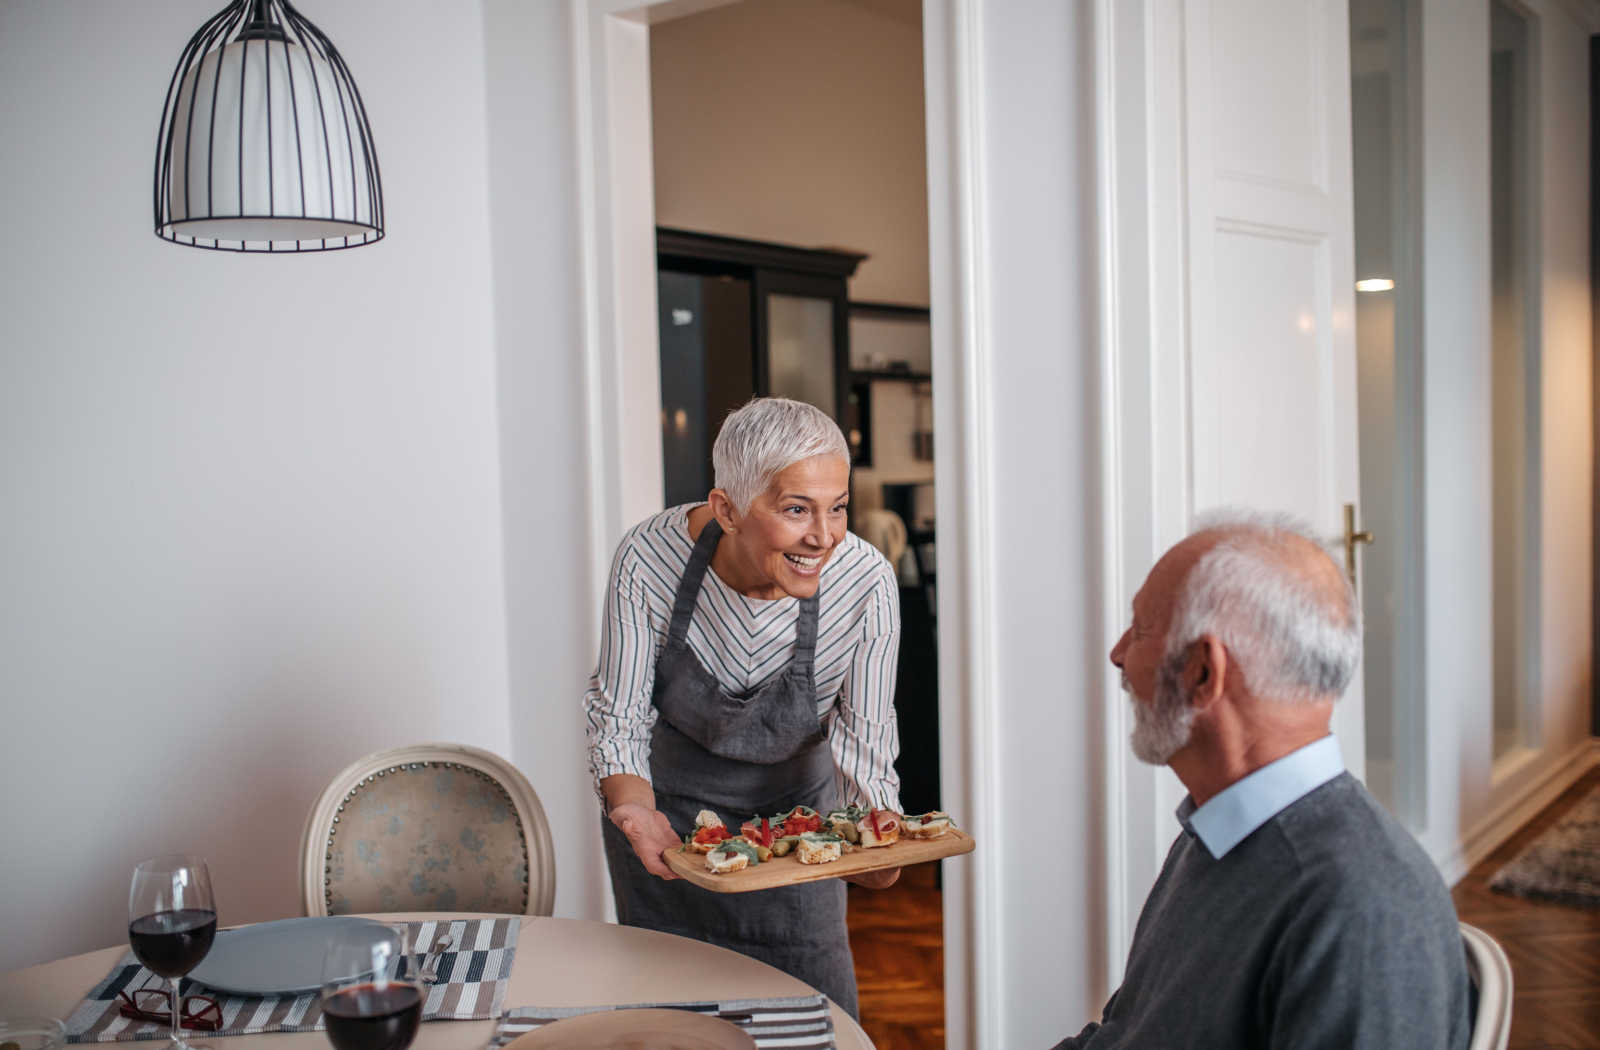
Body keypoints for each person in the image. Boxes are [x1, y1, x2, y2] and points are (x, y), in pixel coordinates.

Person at [1052, 513, 1473, 1049]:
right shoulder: (1213, 832)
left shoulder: (1363, 909)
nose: (1117, 654)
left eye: (1140, 629)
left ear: (1204, 672)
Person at [584, 396, 903, 1018]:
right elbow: (617, 717)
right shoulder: (647, 559)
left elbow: (866, 745)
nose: (824, 536)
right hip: (671, 837)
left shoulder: (863, 582)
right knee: (670, 1030)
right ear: (727, 509)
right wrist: (634, 810)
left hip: (798, 834)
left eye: (837, 507)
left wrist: (878, 839)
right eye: (795, 510)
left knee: (812, 1026)